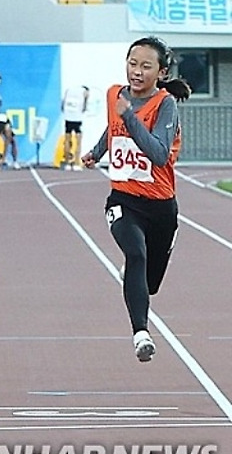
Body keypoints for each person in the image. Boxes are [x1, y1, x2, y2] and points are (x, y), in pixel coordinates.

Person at [81, 36, 191, 365]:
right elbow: (112, 128)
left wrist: (130, 117)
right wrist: (96, 152)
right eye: (132, 63)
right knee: (135, 254)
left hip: (161, 206)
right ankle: (141, 334)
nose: (137, 71)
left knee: (149, 282)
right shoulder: (115, 94)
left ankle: (141, 270)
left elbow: (158, 154)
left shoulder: (165, 104)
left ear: (161, 72)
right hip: (123, 200)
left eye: (145, 66)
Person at [61, 83, 89, 169]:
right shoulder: (85, 92)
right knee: (78, 142)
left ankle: (67, 163)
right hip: (77, 118)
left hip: (68, 117)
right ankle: (76, 163)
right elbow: (84, 107)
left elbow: (62, 105)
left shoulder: (69, 90)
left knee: (67, 140)